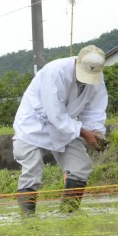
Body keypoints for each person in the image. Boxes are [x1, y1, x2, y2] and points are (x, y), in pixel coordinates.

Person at [13, 45, 108, 215]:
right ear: (76, 63)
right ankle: (27, 221)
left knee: (80, 167)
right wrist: (85, 133)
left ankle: (68, 215)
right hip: (34, 124)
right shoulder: (55, 71)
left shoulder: (97, 78)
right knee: (32, 171)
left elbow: (94, 110)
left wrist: (97, 132)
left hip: (67, 126)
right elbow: (54, 113)